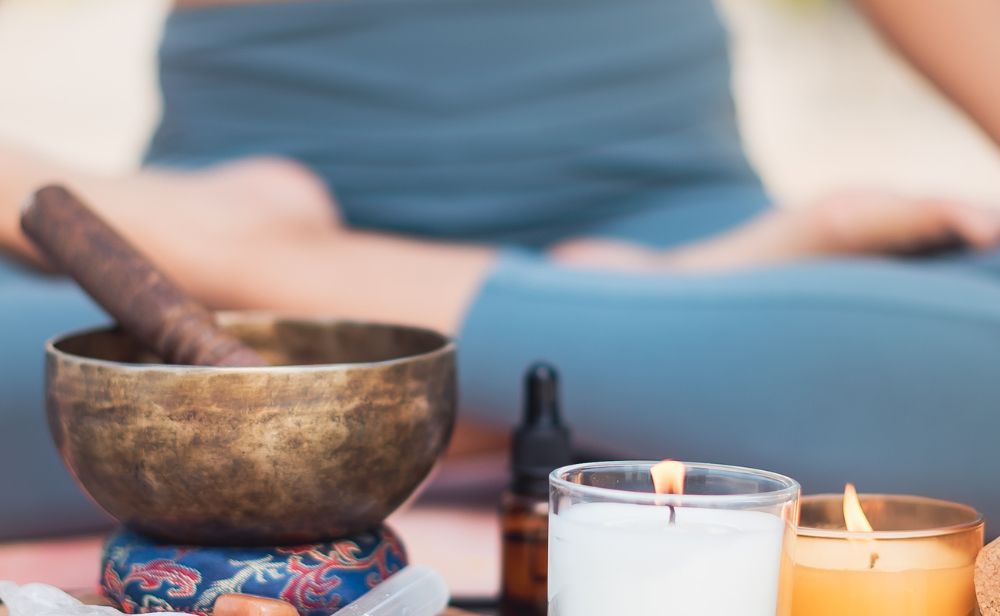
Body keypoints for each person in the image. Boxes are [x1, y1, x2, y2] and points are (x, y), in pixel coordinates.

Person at [3, 0, 1000, 539]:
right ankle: (623, 347)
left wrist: (253, 258)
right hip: (177, 248)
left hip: (208, 277)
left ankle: (299, 288)